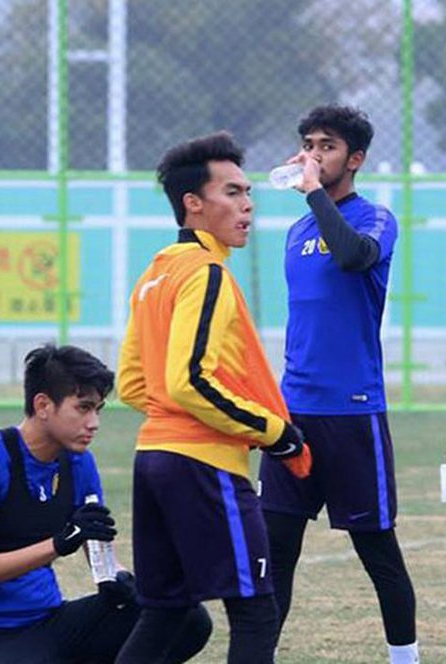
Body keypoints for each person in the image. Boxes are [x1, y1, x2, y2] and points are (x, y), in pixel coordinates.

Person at [115, 130, 311, 664]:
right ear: (193, 204)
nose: (246, 205)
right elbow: (188, 381)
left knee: (165, 611)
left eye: (248, 192)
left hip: (153, 458)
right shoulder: (206, 274)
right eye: (231, 192)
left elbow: (134, 383)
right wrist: (276, 435)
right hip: (202, 466)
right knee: (255, 611)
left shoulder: (156, 274)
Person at [258, 105, 419, 664]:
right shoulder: (299, 228)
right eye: (307, 143)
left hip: (352, 414)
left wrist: (313, 195)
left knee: (378, 549)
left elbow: (352, 257)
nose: (312, 154)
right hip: (292, 415)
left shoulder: (374, 219)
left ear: (355, 159)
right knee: (275, 552)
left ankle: (405, 658)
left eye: (326, 145)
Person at [0, 343, 142, 664]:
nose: (94, 422)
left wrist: (121, 580)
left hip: (51, 621)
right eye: (83, 408)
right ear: (43, 405)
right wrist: (58, 544)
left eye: (98, 409)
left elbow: (102, 561)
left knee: (181, 618)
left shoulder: (80, 462)